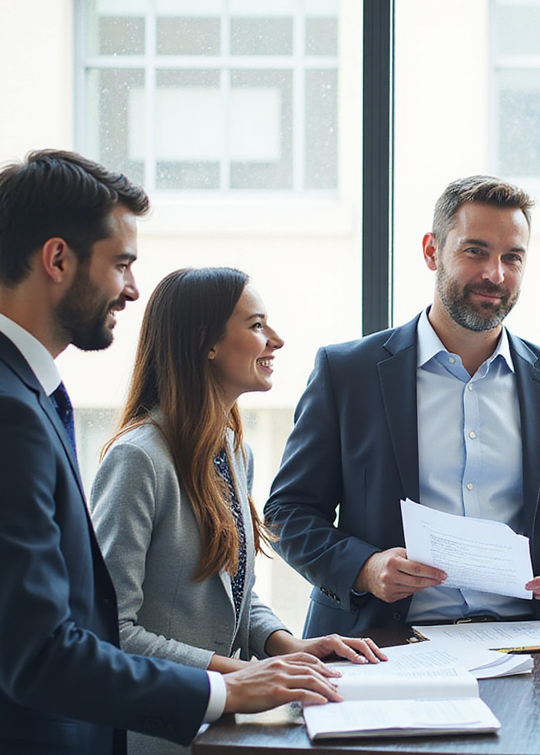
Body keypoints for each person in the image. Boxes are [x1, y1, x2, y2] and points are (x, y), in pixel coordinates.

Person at [0, 150, 342, 754]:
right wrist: (227, 688)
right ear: (57, 259)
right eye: (122, 264)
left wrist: (275, 645)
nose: (132, 290)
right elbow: (43, 649)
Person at [264, 174, 540, 634]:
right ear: (432, 251)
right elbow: (287, 513)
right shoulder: (346, 372)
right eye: (475, 251)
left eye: (512, 257)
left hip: (530, 643)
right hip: (383, 644)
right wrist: (366, 568)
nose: (495, 274)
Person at [90, 268, 386, 755]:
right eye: (256, 325)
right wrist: (247, 674)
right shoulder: (138, 459)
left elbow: (235, 598)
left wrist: (288, 646)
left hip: (224, 729)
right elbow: (112, 634)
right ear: (205, 343)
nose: (276, 340)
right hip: (158, 732)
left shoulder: (233, 452)